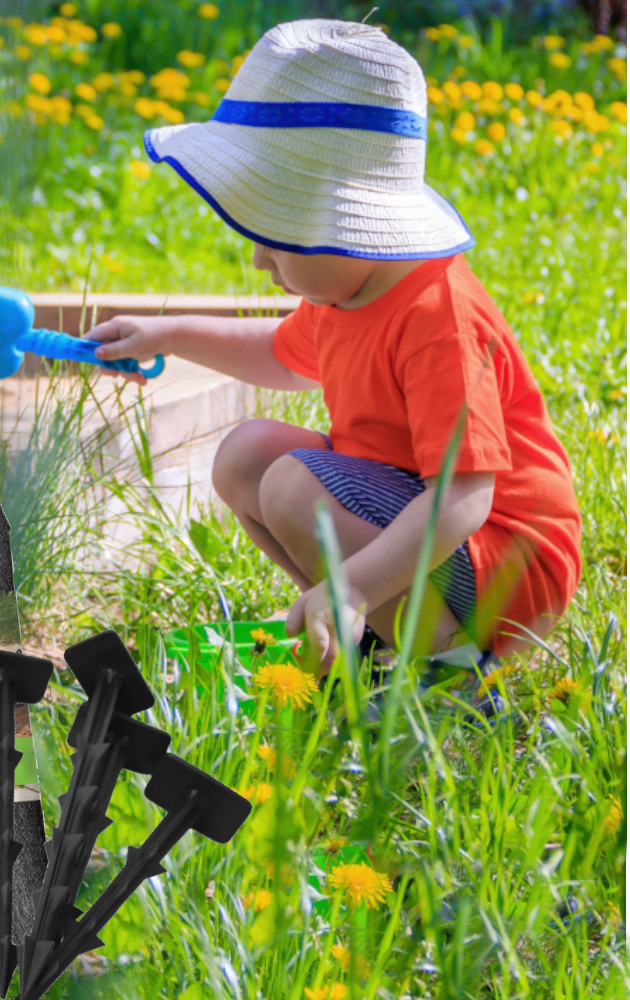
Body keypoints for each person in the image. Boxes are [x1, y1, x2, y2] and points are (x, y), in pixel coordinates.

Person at [84, 19, 581, 708]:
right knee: (246, 455)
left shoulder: (437, 315)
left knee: (291, 487)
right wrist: (168, 334)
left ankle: (451, 679)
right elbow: (278, 355)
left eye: (274, 238)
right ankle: (377, 638)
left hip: (507, 561)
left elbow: (464, 499)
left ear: (347, 224)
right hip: (419, 522)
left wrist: (356, 583)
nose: (260, 261)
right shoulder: (350, 289)